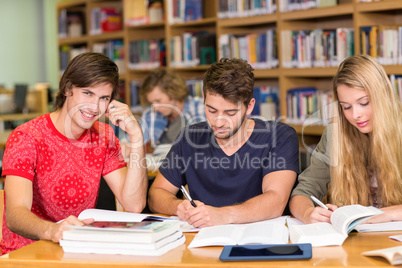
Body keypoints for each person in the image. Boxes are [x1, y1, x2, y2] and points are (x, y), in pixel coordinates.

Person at [1, 52, 148, 254]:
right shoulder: (27, 137)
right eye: (87, 93)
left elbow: (134, 205)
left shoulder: (103, 137)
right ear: (68, 89)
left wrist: (137, 137)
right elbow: (15, 215)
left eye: (103, 98)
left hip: (74, 250)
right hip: (26, 253)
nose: (94, 107)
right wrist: (53, 231)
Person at [148, 58, 299, 228]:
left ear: (249, 107)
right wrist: (178, 207)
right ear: (204, 98)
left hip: (260, 241)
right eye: (212, 110)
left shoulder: (279, 136)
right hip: (203, 241)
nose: (218, 122)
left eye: (230, 112)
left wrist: (221, 215)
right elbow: (156, 195)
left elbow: (276, 201)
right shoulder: (189, 137)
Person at [289, 54, 402, 224]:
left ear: (383, 97)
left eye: (364, 103)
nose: (356, 115)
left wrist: (380, 215)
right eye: (346, 107)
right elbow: (303, 192)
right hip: (354, 240)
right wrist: (307, 213)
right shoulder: (335, 135)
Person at [138, 68, 205, 149]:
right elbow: (133, 141)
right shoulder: (150, 114)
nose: (155, 107)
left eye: (158, 101)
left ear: (172, 92)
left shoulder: (200, 108)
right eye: (152, 102)